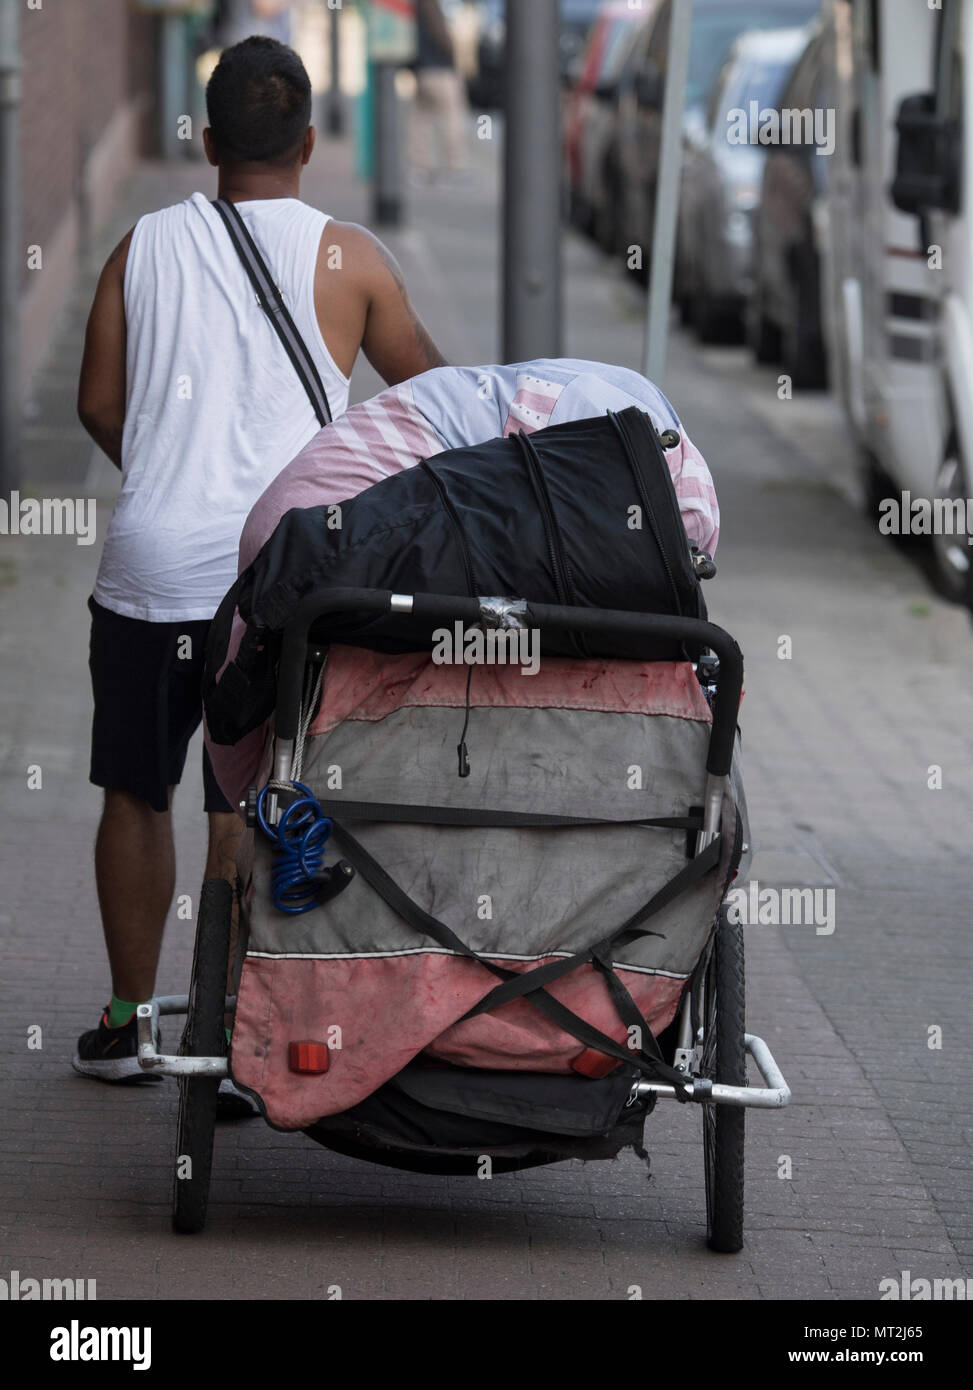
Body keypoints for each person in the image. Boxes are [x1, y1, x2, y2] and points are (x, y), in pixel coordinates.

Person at [73, 35, 447, 1084]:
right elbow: (431, 402)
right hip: (283, 576)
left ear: (203, 139)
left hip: (151, 569)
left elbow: (97, 402)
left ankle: (129, 1022)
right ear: (311, 142)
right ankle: (236, 1041)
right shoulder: (350, 258)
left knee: (132, 791)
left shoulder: (138, 248)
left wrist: (161, 470)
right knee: (248, 795)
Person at [410, 0, 470, 182]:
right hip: (442, 72)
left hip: (423, 71)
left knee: (421, 119)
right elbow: (447, 42)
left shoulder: (417, 11)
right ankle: (453, 166)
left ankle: (419, 168)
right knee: (452, 118)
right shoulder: (437, 14)